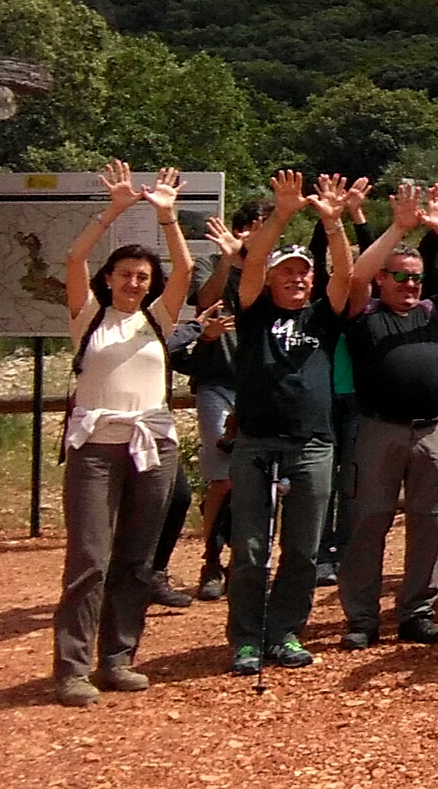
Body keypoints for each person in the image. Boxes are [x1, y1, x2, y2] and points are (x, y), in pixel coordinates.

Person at [52, 163, 192, 706]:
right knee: (89, 556)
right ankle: (71, 667)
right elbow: (72, 259)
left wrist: (168, 218)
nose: (135, 283)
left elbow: (183, 267)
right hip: (95, 449)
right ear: (109, 278)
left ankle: (117, 658)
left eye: (143, 277)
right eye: (126, 274)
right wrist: (114, 210)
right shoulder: (88, 316)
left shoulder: (158, 318)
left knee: (136, 557)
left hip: (153, 447)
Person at [222, 171, 358, 676]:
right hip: (256, 442)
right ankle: (246, 639)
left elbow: (345, 275)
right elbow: (253, 259)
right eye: (289, 272)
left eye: (304, 272)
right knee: (251, 550)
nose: (298, 278)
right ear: (273, 278)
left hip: (313, 443)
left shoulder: (323, 315)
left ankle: (284, 633)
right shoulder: (253, 310)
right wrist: (281, 215)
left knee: (302, 550)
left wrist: (333, 222)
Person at [335, 181, 438, 651]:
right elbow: (354, 277)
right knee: (368, 522)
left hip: (432, 431)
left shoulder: (436, 312)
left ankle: (416, 611)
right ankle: (361, 617)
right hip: (377, 430)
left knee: (431, 522)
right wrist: (397, 227)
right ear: (383, 279)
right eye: (399, 276)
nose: (410, 285)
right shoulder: (363, 312)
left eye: (415, 277)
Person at [170, 199, 267, 603]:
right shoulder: (213, 263)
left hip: (260, 386)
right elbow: (203, 299)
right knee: (223, 479)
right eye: (254, 229)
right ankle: (211, 560)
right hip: (218, 383)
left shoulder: (269, 269)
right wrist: (230, 259)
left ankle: (249, 561)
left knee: (264, 480)